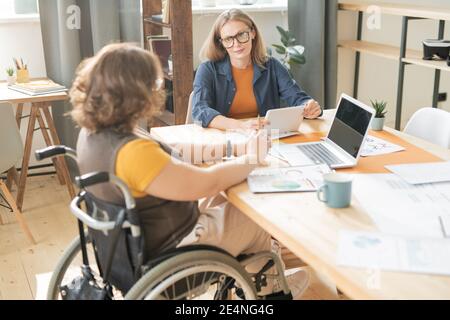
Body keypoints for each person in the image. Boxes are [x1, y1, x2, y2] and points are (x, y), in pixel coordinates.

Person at [70, 43, 309, 299]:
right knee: (255, 218)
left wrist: (233, 147)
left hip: (134, 242)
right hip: (171, 250)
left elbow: (171, 149)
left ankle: (253, 282)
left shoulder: (96, 134)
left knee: (229, 200)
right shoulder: (132, 153)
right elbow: (206, 182)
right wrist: (252, 158)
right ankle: (271, 293)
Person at [192, 9, 322, 131]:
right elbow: (200, 111)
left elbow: (297, 97)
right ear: (221, 42)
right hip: (222, 139)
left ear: (253, 33)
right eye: (228, 39)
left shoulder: (272, 66)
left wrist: (310, 106)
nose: (236, 44)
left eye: (241, 35)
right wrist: (240, 126)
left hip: (262, 138)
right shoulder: (207, 70)